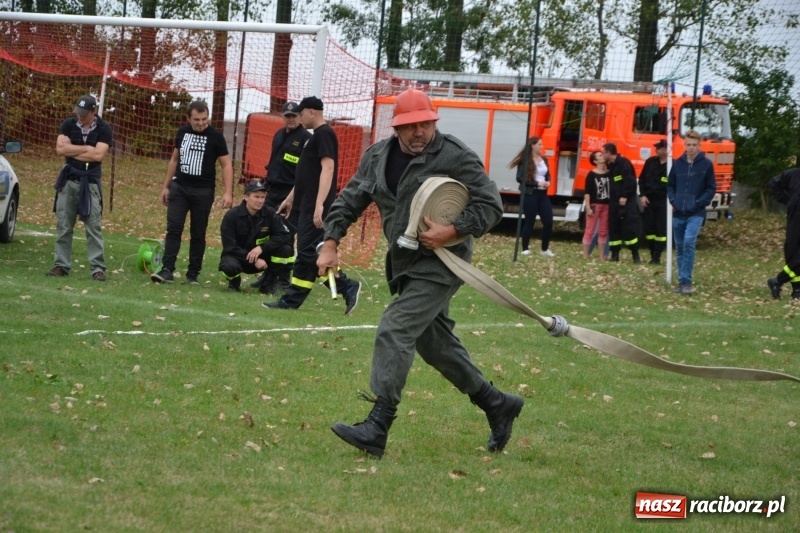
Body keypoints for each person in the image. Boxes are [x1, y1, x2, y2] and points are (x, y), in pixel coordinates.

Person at [318, 88, 524, 458]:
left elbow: (490, 205)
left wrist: (454, 229)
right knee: (434, 344)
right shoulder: (378, 156)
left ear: (434, 121)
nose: (419, 133)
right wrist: (330, 242)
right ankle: (497, 404)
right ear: (397, 127)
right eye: (411, 126)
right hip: (404, 265)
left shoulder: (454, 155)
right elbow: (350, 199)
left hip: (443, 264)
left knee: (395, 327)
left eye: (425, 124)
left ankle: (377, 424)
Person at [262, 96, 361, 313]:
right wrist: (290, 199)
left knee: (309, 253)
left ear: (312, 112)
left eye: (301, 113)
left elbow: (328, 169)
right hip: (305, 204)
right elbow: (306, 175)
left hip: (316, 206)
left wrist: (319, 205)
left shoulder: (324, 134)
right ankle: (294, 300)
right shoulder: (314, 137)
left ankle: (344, 286)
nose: (298, 117)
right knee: (309, 254)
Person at [151, 100, 233, 284]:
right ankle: (167, 270)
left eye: (204, 119)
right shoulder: (182, 132)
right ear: (188, 118)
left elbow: (226, 164)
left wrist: (228, 192)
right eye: (197, 119)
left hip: (203, 191)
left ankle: (193, 274)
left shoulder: (216, 137)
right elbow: (174, 160)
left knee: (198, 233)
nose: (201, 123)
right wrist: (166, 186)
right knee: (173, 228)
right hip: (179, 188)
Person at [47, 94, 113, 281]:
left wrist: (73, 149)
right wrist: (85, 149)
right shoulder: (68, 124)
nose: (80, 116)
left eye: (84, 114)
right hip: (68, 182)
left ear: (94, 111)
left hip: (90, 183)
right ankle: (61, 265)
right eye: (78, 112)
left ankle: (97, 268)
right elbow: (60, 149)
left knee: (93, 226)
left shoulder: (104, 128)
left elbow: (98, 156)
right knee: (64, 224)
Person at [250, 101, 311, 294]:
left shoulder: (306, 139)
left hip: (291, 194)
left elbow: (306, 173)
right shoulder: (278, 135)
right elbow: (274, 162)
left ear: (300, 117)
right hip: (272, 191)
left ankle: (284, 278)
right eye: (287, 115)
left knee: (285, 235)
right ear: (282, 117)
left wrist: (294, 196)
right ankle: (268, 275)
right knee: (266, 232)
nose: (291, 119)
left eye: (294, 115)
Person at [218, 180, 293, 292]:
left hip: (264, 258)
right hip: (240, 258)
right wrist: (254, 260)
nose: (260, 201)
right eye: (256, 197)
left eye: (263, 197)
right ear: (246, 197)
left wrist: (262, 248)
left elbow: (285, 236)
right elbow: (230, 247)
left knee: (286, 249)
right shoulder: (232, 216)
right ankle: (234, 283)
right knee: (229, 265)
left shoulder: (270, 213)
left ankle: (269, 282)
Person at [667, 130, 716, 295]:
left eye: (694, 145)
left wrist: (698, 203)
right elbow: (670, 184)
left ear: (699, 145)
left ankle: (687, 281)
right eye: (688, 144)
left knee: (689, 242)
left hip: (696, 213)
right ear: (684, 145)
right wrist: (673, 200)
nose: (691, 148)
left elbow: (711, 188)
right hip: (678, 212)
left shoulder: (706, 165)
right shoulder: (677, 163)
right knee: (680, 247)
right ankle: (682, 282)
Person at [510, 136, 555, 257]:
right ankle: (525, 248)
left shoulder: (544, 159)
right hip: (530, 194)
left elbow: (548, 175)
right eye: (539, 144)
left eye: (542, 144)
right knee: (530, 221)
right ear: (532, 146)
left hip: (542, 194)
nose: (541, 147)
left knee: (549, 221)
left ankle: (545, 249)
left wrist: (548, 182)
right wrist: (536, 184)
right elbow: (520, 178)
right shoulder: (525, 160)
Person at [603, 142, 641, 263]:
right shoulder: (611, 165)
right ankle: (615, 255)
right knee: (614, 228)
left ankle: (635, 255)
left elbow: (630, 181)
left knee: (629, 228)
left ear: (609, 153)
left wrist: (624, 196)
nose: (603, 155)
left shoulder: (624, 164)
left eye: (604, 153)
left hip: (626, 201)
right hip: (614, 201)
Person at [766, 165, 800, 300]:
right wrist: (788, 200)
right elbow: (774, 184)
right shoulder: (793, 174)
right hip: (796, 217)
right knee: (792, 253)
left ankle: (778, 281)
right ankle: (797, 289)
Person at [639, 139, 669, 264]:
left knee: (661, 231)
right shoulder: (650, 162)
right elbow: (642, 179)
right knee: (649, 230)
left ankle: (657, 257)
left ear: (666, 150)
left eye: (659, 148)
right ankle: (652, 254)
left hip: (664, 202)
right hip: (649, 201)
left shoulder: (673, 165)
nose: (656, 150)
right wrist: (642, 195)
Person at [582, 151, 611, 260]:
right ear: (595, 161)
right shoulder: (591, 174)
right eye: (599, 155)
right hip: (595, 205)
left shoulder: (609, 173)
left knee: (603, 231)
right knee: (590, 230)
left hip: (606, 205)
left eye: (602, 154)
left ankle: (601, 256)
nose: (603, 155)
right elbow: (587, 192)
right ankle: (585, 255)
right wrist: (588, 207)